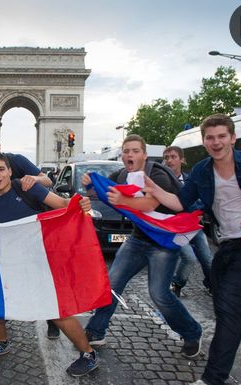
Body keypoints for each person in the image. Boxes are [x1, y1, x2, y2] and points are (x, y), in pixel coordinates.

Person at [142, 114, 241, 385]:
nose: (216, 142)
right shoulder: (204, 170)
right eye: (210, 137)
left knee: (228, 307)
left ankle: (213, 379)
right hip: (227, 247)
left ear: (232, 138)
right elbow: (180, 203)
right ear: (204, 141)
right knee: (225, 307)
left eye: (221, 136)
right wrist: (154, 188)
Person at [0, 152, 100, 377]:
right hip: (13, 264)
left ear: (9, 171)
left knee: (55, 310)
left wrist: (79, 205)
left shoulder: (27, 188)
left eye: (0, 170)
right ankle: (0, 342)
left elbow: (62, 204)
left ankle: (88, 354)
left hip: (39, 261)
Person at [81, 134, 203, 359]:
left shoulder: (158, 173)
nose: (130, 155)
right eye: (126, 151)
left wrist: (122, 201)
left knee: (159, 295)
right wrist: (89, 182)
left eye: (135, 151)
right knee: (112, 283)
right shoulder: (122, 174)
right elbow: (101, 190)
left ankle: (192, 332)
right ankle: (96, 331)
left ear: (144, 155)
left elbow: (150, 203)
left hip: (164, 242)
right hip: (137, 238)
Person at [0, 129, 59, 338]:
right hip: (5, 229)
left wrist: (32, 179)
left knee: (46, 289)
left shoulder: (17, 162)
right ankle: (0, 336)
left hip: (34, 234)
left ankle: (53, 320)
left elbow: (47, 182)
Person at [163, 146, 213, 297]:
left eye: (173, 157)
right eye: (166, 157)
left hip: (194, 227)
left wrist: (199, 212)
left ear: (182, 160)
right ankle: (177, 283)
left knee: (207, 258)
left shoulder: (191, 179)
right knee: (189, 258)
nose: (169, 160)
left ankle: (212, 285)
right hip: (175, 228)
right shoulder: (162, 181)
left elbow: (202, 200)